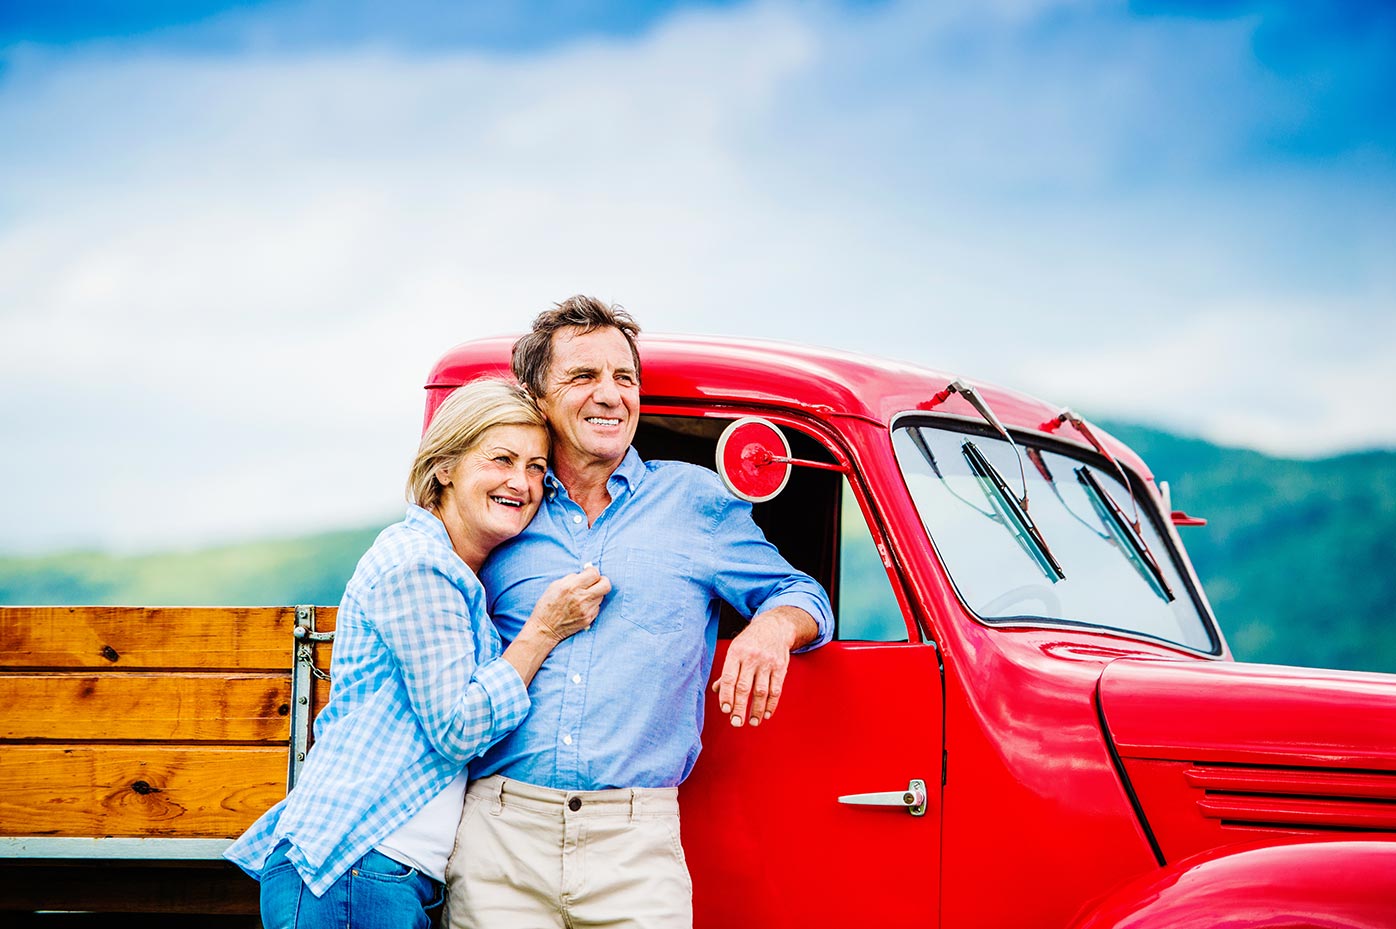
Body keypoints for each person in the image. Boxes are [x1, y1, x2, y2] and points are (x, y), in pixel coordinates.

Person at [443, 297, 834, 929]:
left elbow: (800, 592)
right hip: (501, 835)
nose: (610, 394)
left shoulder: (695, 502)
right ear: (538, 398)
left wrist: (769, 628)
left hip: (635, 842)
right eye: (583, 377)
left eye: (625, 378)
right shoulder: (504, 505)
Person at [225, 378, 611, 929]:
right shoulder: (419, 566)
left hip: (387, 872)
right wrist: (543, 631)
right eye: (500, 459)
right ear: (444, 467)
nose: (520, 482)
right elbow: (457, 726)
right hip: (356, 866)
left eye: (534, 468)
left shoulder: (456, 571)